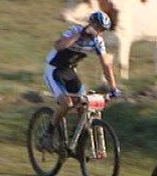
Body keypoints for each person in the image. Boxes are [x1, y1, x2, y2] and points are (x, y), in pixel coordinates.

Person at [40, 10, 120, 151]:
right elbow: (59, 45)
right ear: (91, 23)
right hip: (54, 69)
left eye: (101, 30)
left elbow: (106, 65)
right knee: (66, 103)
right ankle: (48, 134)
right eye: (97, 27)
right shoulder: (75, 30)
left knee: (85, 105)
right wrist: (79, 35)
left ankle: (74, 140)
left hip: (69, 71)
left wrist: (113, 87)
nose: (98, 31)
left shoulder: (98, 42)